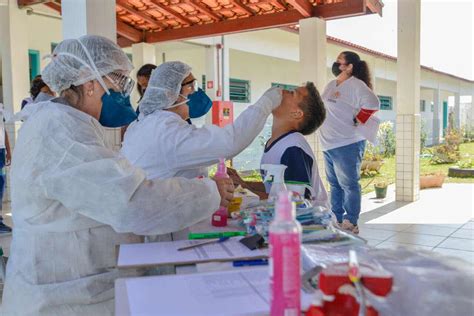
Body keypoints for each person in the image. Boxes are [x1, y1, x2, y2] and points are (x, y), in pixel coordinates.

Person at [1, 35, 234, 315]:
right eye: (119, 82)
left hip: (77, 282)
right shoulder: (59, 132)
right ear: (89, 84)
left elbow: (113, 186)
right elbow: (132, 203)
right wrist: (210, 192)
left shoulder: (69, 125)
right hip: (61, 296)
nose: (126, 93)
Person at [121, 61, 282, 180]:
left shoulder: (143, 124)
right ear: (172, 94)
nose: (196, 91)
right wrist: (267, 102)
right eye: (191, 86)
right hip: (165, 219)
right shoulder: (167, 133)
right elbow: (230, 142)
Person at [227, 83, 329, 207]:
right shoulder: (278, 142)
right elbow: (274, 187)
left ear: (296, 114)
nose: (283, 91)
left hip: (315, 223)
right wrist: (243, 184)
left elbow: (295, 202)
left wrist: (247, 191)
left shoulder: (293, 148)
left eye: (292, 93)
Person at [319, 51, 380, 234]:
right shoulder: (331, 84)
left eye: (339, 61)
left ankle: (351, 221)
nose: (336, 64)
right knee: (334, 183)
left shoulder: (356, 85)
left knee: (349, 184)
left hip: (347, 143)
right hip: (328, 143)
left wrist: (358, 119)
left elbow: (373, 102)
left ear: (350, 66)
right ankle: (336, 218)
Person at [0, 103, 12, 233]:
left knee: (1, 185)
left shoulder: (1, 107)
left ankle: (0, 221)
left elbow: (4, 130)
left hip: (1, 152)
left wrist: (8, 150)